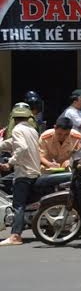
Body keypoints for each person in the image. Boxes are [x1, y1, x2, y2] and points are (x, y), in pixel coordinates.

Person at [0, 105, 41, 246]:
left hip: (24, 172)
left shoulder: (17, 129)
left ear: (13, 118)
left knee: (18, 205)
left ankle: (16, 236)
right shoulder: (32, 130)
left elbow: (21, 147)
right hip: (34, 170)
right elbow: (12, 143)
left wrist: (10, 163)